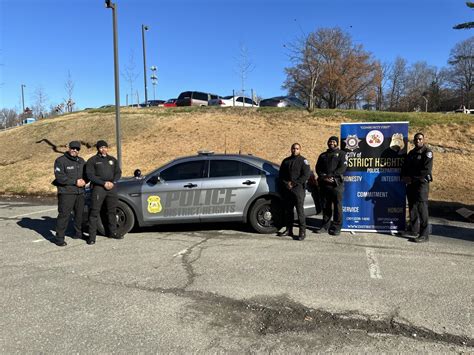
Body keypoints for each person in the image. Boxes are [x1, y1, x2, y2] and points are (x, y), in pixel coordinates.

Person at [85, 140, 122, 244]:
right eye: (101, 147)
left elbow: (118, 172)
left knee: (112, 211)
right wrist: (103, 183)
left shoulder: (112, 159)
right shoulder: (92, 160)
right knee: (94, 212)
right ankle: (92, 237)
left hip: (111, 187)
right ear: (98, 149)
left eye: (105, 147)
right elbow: (90, 175)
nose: (103, 149)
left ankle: (113, 232)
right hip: (98, 188)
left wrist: (113, 181)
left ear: (107, 148)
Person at [53, 140, 87, 247]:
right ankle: (59, 238)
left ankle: (78, 233)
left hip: (80, 192)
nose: (74, 150)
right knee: (64, 215)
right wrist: (75, 182)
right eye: (73, 148)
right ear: (69, 148)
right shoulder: (60, 161)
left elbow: (87, 174)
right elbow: (60, 178)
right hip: (66, 193)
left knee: (79, 214)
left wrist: (85, 181)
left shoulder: (81, 161)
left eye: (77, 149)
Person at [401, 132, 433, 243]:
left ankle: (424, 234)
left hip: (421, 184)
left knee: (422, 208)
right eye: (416, 139)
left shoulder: (427, 152)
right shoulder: (412, 153)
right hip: (411, 184)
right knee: (412, 207)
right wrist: (404, 177)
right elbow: (405, 166)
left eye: (420, 139)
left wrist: (412, 178)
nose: (418, 141)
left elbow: (426, 170)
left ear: (423, 140)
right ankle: (413, 230)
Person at [277, 143, 311, 241]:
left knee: (300, 211)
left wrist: (294, 183)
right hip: (287, 189)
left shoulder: (303, 161)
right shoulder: (286, 161)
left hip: (298, 189)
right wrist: (286, 183)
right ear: (291, 149)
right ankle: (289, 230)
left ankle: (302, 232)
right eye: (293, 148)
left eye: (297, 149)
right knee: (288, 211)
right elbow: (281, 175)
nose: (295, 150)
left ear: (300, 150)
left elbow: (306, 175)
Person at [315, 136, 347, 236]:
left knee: (337, 206)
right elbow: (318, 168)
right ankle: (325, 226)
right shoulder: (323, 155)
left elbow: (342, 168)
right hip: (324, 184)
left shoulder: (342, 154)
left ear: (337, 143)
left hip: (336, 184)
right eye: (330, 141)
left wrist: (331, 176)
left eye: (333, 141)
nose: (331, 143)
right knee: (325, 206)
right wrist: (323, 177)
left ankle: (337, 227)